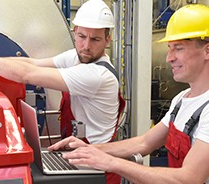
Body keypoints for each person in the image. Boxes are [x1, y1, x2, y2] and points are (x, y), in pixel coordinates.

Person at [0, 1, 124, 183]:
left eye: (95, 39)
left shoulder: (98, 75)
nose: (86, 45)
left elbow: (27, 74)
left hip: (99, 169)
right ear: (74, 33)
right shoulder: (76, 57)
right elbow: (31, 63)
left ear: (107, 39)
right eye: (82, 36)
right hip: (79, 156)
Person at [47, 4, 209, 184]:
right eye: (170, 48)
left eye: (178, 48)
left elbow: (188, 179)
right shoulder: (181, 99)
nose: (169, 58)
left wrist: (111, 162)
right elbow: (144, 143)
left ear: (207, 50)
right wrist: (91, 149)